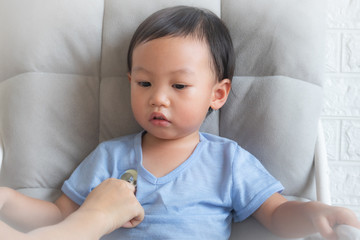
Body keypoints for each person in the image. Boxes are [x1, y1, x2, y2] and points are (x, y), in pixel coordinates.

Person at [0, 5, 359, 240]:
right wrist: (8, 200)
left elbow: (277, 214)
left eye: (179, 86)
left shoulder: (227, 161)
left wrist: (314, 213)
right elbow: (58, 219)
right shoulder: (110, 157)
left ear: (217, 95)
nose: (158, 97)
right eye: (144, 83)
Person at [0, 178, 144, 239]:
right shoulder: (111, 154)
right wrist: (98, 215)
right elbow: (61, 215)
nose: (159, 111)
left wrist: (7, 198)